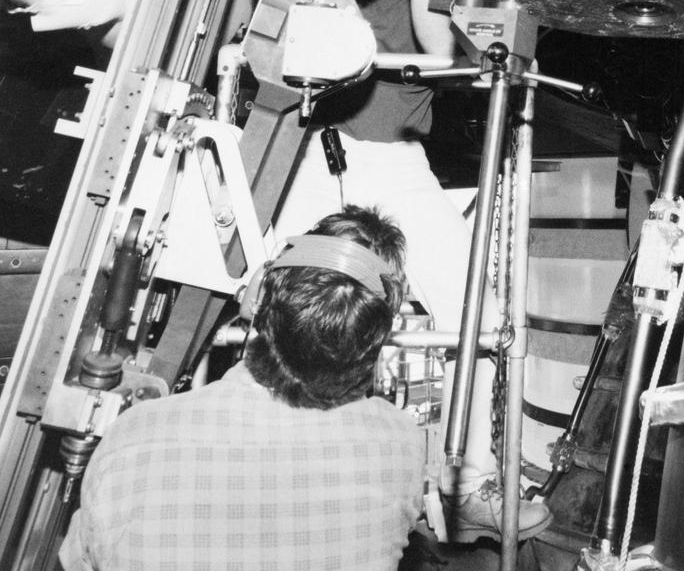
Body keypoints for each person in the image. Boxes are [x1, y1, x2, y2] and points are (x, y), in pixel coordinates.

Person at [254, 0, 551, 543]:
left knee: (472, 309)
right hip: (301, 152)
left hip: (394, 161)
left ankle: (470, 481)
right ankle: (267, 463)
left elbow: (439, 42)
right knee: (264, 305)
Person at [59, 206, 423, 571]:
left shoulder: (133, 436)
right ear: (372, 344)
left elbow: (81, 560)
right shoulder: (402, 445)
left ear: (257, 298)